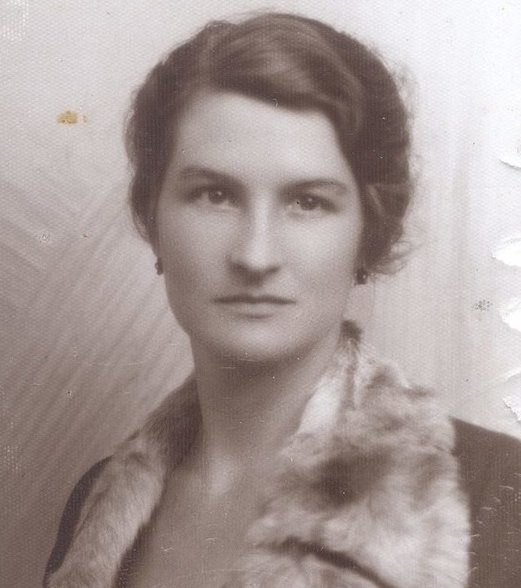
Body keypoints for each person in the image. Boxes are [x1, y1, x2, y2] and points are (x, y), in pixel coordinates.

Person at [44, 12, 521, 588]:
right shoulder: (95, 507)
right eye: (215, 195)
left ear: (369, 231)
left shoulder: (500, 495)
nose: (255, 254)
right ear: (153, 217)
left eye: (308, 202)